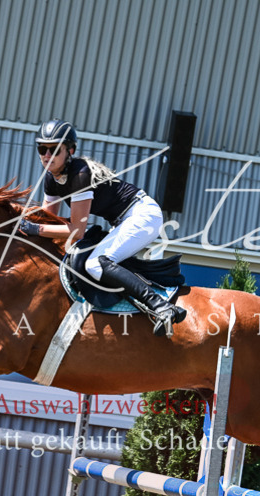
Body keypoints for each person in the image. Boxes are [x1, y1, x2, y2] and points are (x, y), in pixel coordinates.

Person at [20, 119, 186, 337]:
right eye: (42, 149)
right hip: (124, 220)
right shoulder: (51, 179)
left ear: (70, 150)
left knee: (96, 264)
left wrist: (35, 230)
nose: (46, 155)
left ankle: (161, 306)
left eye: (54, 149)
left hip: (144, 215)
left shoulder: (80, 174)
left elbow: (75, 231)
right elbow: (47, 220)